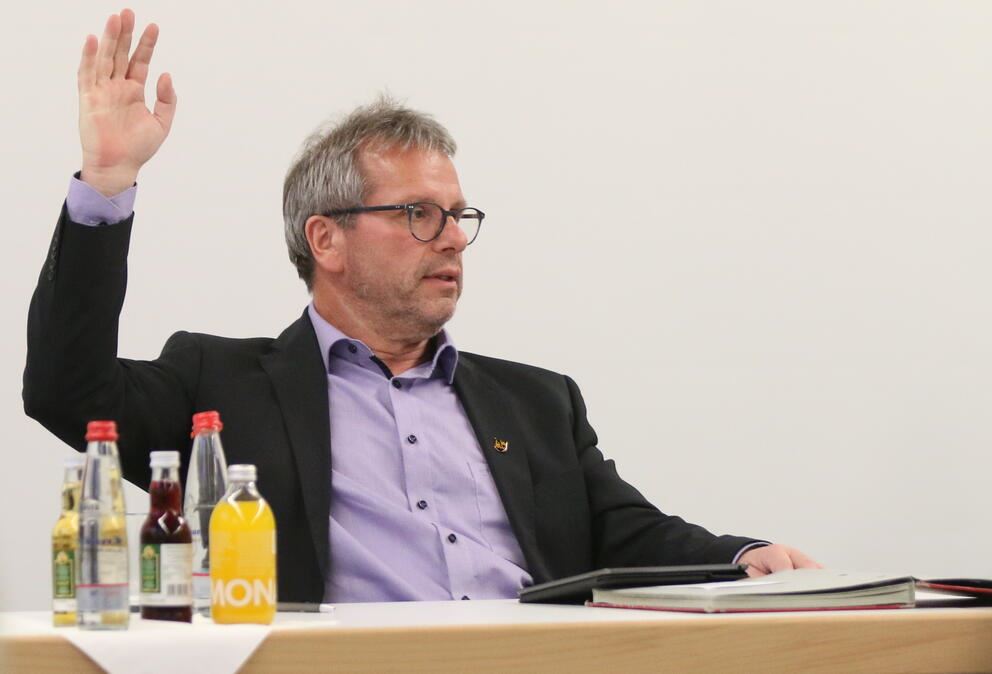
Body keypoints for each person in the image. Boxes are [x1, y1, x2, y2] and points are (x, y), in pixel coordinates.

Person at [24, 9, 819, 603]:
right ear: (325, 239)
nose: (452, 240)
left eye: (458, 215)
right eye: (417, 214)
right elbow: (65, 389)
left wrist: (747, 555)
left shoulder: (538, 401)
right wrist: (106, 184)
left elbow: (624, 533)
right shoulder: (220, 384)